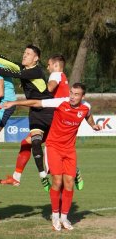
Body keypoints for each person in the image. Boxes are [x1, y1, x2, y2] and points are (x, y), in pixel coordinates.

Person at [1, 83, 101, 231]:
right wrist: (13, 103)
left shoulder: (86, 106)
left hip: (70, 150)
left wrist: (93, 125)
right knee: (57, 181)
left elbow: (88, 116)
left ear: (82, 96)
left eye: (76, 94)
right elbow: (35, 102)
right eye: (71, 93)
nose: (72, 97)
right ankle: (55, 216)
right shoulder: (60, 102)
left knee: (69, 183)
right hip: (53, 147)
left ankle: (64, 218)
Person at [0, 45, 54, 191]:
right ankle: (18, 178)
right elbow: (11, 64)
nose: (24, 55)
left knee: (52, 148)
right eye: (24, 53)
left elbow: (13, 72)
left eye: (28, 54)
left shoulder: (36, 71)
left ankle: (68, 171)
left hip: (49, 113)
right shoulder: (25, 69)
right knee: (28, 143)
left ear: (36, 58)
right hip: (35, 112)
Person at [46, 54, 84, 190]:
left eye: (49, 64)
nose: (47, 67)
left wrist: (36, 90)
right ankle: (74, 170)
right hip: (64, 114)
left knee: (36, 142)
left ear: (56, 66)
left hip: (58, 115)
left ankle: (44, 176)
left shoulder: (55, 75)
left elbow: (49, 88)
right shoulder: (63, 76)